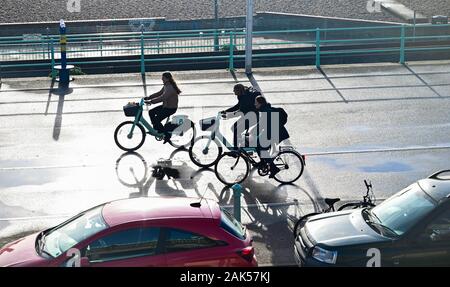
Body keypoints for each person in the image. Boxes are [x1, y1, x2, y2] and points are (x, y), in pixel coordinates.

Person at [254, 96, 290, 178]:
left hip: (277, 134)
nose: (254, 104)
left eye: (256, 103)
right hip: (273, 133)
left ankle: (274, 168)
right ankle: (263, 161)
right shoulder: (264, 110)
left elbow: (265, 127)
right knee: (257, 144)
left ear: (260, 103)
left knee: (262, 148)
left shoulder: (267, 112)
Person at [144, 72, 181, 143]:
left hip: (170, 108)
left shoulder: (170, 87)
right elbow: (159, 93)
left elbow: (163, 97)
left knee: (157, 119)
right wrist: (149, 97)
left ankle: (165, 135)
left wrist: (151, 102)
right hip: (166, 106)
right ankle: (156, 129)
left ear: (167, 79)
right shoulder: (166, 85)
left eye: (163, 78)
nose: (162, 79)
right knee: (151, 112)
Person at [221, 84, 261, 148]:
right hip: (247, 116)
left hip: (253, 117)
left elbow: (240, 111)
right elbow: (238, 106)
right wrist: (226, 111)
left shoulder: (247, 97)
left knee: (237, 130)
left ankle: (236, 149)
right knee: (233, 128)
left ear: (239, 90)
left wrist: (228, 116)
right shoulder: (240, 96)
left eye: (235, 90)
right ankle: (242, 144)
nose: (233, 92)